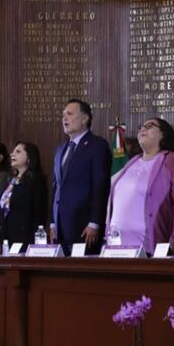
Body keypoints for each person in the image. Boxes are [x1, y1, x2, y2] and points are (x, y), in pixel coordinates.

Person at [105, 117, 174, 254]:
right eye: (141, 127)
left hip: (149, 249)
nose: (143, 129)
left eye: (149, 126)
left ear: (163, 134)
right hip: (117, 248)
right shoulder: (132, 161)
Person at [49, 99, 111, 254]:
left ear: (85, 119)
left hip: (85, 225)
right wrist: (52, 223)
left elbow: (100, 185)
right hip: (60, 226)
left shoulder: (97, 145)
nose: (64, 118)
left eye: (69, 114)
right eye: (63, 115)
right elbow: (56, 187)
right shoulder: (60, 149)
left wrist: (95, 222)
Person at [0, 141, 49, 247]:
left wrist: (35, 240)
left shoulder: (36, 180)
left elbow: (40, 212)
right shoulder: (11, 180)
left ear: (29, 157)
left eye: (18, 152)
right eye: (12, 152)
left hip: (26, 238)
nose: (12, 154)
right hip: (8, 237)